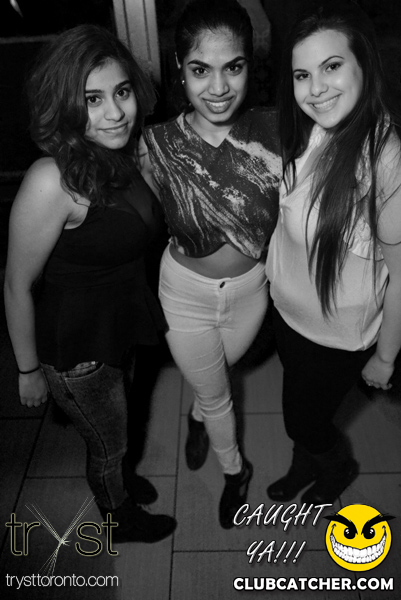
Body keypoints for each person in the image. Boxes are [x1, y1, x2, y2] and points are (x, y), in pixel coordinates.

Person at [4, 24, 177, 543]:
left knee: (120, 427)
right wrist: (27, 370)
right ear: (65, 104)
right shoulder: (50, 180)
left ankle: (120, 480)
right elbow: (15, 283)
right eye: (92, 99)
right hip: (76, 350)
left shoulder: (121, 155)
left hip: (117, 327)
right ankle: (117, 517)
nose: (115, 112)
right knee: (108, 444)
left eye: (121, 92)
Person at [140, 0, 281, 528]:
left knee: (214, 379)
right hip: (184, 295)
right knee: (218, 392)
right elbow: (126, 216)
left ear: (250, 65)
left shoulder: (278, 132)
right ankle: (235, 472)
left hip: (250, 294)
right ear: (180, 69)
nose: (218, 87)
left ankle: (197, 415)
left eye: (233, 67)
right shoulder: (155, 145)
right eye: (201, 69)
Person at [266, 1, 401, 505]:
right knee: (298, 406)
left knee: (303, 419)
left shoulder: (387, 164)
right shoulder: (315, 129)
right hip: (289, 314)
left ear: (364, 63)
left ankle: (336, 467)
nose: (316, 88)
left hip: (336, 336)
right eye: (302, 75)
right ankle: (305, 460)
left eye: (332, 66)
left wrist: (385, 357)